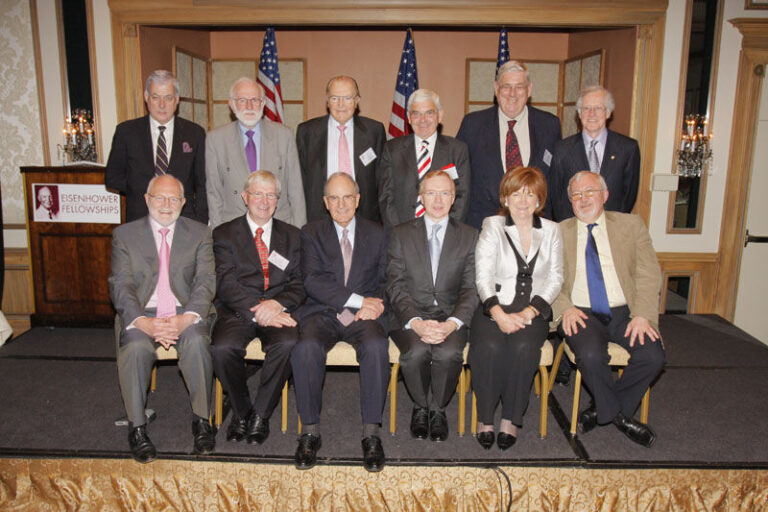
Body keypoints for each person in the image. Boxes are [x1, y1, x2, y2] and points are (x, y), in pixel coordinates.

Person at [109, 174, 216, 463]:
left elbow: (205, 281)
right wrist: (143, 323)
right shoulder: (124, 235)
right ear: (147, 199)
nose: (166, 205)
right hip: (143, 314)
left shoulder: (199, 233)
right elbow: (121, 285)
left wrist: (187, 318)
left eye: (173, 199)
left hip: (185, 310)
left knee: (195, 342)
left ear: (183, 202)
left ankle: (202, 420)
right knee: (136, 347)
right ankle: (138, 427)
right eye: (159, 197)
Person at [554, 171, 665, 447]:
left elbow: (649, 273)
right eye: (576, 195)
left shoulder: (631, 225)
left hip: (626, 310)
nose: (583, 199)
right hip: (580, 311)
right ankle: (620, 417)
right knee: (590, 355)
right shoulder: (557, 232)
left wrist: (643, 315)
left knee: (653, 356)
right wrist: (565, 307)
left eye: (590, 192)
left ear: (605, 195)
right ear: (570, 201)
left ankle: (604, 410)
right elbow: (548, 279)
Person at [291, 172, 390, 472]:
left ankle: (371, 434)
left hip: (365, 316)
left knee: (375, 346)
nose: (341, 204)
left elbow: (388, 279)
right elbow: (312, 281)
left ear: (358, 199)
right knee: (306, 347)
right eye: (334, 198)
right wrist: (358, 301)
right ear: (325, 202)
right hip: (324, 311)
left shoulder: (378, 232)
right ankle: (310, 431)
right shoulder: (310, 232)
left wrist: (378, 304)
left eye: (347, 197)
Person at [470, 167, 563, 450]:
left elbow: (556, 276)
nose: (523, 201)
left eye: (530, 194)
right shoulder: (492, 225)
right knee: (489, 348)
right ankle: (485, 417)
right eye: (516, 194)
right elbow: (482, 275)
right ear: (506, 198)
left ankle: (511, 418)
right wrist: (497, 314)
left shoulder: (552, 230)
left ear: (539, 200)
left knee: (523, 349)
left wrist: (529, 312)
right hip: (494, 306)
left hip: (532, 310)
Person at [210, 171, 304, 446]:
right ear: (245, 197)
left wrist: (276, 304)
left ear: (277, 200)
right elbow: (226, 283)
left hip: (279, 309)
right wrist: (257, 309)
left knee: (288, 343)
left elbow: (300, 283)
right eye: (258, 194)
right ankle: (241, 412)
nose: (264, 201)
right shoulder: (224, 234)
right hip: (239, 310)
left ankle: (261, 414)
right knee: (222, 348)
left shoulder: (293, 236)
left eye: (270, 195)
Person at [386, 169, 478, 441]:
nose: (438, 200)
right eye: (431, 192)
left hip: (451, 316)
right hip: (409, 315)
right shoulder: (400, 234)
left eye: (445, 193)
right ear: (420, 197)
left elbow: (471, 288)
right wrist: (415, 322)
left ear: (454, 199)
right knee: (415, 352)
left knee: (448, 355)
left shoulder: (470, 235)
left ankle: (438, 408)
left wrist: (451, 324)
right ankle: (420, 406)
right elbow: (395, 284)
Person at [457, 60, 562, 228]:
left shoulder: (549, 125)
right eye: (506, 87)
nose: (512, 93)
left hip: (535, 227)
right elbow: (458, 178)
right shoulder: (472, 125)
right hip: (483, 227)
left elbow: (557, 179)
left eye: (519, 87)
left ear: (529, 89)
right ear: (496, 89)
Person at [106, 70, 207, 223]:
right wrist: (152, 190)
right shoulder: (126, 132)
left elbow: (202, 184)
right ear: (146, 97)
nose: (162, 105)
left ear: (177, 99)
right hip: (140, 217)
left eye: (168, 98)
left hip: (184, 219)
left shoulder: (195, 133)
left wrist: (201, 222)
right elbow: (112, 177)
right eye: (155, 97)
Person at [206, 77, 306, 228]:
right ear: (232, 104)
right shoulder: (216, 139)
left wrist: (299, 232)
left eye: (255, 100)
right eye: (242, 100)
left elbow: (295, 189)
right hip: (234, 227)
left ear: (264, 103)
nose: (249, 106)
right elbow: (214, 193)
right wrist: (217, 234)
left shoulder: (284, 135)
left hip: (279, 224)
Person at [296, 76, 386, 223]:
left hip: (364, 217)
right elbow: (300, 180)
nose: (340, 104)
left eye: (347, 98)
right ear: (327, 100)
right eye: (334, 98)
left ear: (357, 100)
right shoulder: (307, 132)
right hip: (319, 218)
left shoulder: (374, 131)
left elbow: (381, 179)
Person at [379, 89, 470, 228]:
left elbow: (462, 196)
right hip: (402, 234)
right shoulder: (392, 149)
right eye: (416, 114)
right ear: (409, 118)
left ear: (440, 116)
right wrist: (399, 233)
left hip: (445, 232)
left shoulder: (457, 150)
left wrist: (446, 230)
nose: (423, 120)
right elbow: (386, 197)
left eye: (429, 113)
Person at [549, 85, 640, 221]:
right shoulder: (562, 149)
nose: (592, 114)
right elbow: (556, 197)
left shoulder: (627, 149)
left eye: (598, 108)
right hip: (573, 229)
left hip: (612, 228)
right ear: (579, 114)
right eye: (586, 108)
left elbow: (628, 196)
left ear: (608, 113)